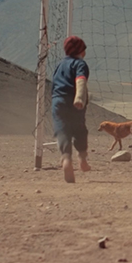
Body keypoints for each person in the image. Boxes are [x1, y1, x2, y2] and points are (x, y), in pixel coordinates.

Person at [51, 35, 91, 183]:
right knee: (80, 130)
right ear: (81, 51)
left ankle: (66, 158)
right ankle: (82, 158)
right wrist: (80, 97)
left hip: (58, 101)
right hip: (74, 101)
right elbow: (80, 80)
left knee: (62, 130)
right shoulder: (80, 64)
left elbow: (54, 84)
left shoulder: (59, 65)